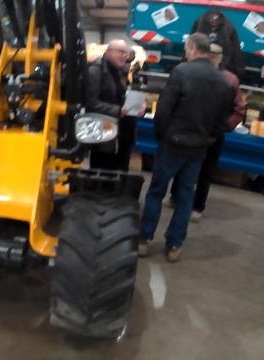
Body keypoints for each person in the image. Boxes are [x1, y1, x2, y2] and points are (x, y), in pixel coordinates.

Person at [138, 33, 234, 262]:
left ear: (192, 49)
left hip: (173, 144)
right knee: (185, 197)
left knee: (156, 191)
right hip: (199, 149)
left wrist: (163, 136)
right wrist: (207, 139)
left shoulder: (181, 72)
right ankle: (174, 245)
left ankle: (144, 239)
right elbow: (223, 121)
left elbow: (163, 111)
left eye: (186, 48)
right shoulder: (223, 81)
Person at [168, 43, 245, 222]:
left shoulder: (229, 80)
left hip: (210, 135)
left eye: (212, 57)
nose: (209, 60)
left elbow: (239, 110)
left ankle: (197, 206)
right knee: (185, 166)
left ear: (218, 59)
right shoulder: (191, 73)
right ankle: (176, 197)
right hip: (196, 130)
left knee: (205, 170)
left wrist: (221, 129)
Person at [86, 39, 133, 171]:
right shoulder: (95, 71)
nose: (124, 55)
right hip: (103, 130)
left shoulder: (121, 72)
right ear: (108, 52)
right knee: (102, 166)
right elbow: (91, 103)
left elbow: (120, 95)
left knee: (121, 166)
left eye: (126, 53)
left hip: (122, 129)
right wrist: (117, 110)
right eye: (121, 52)